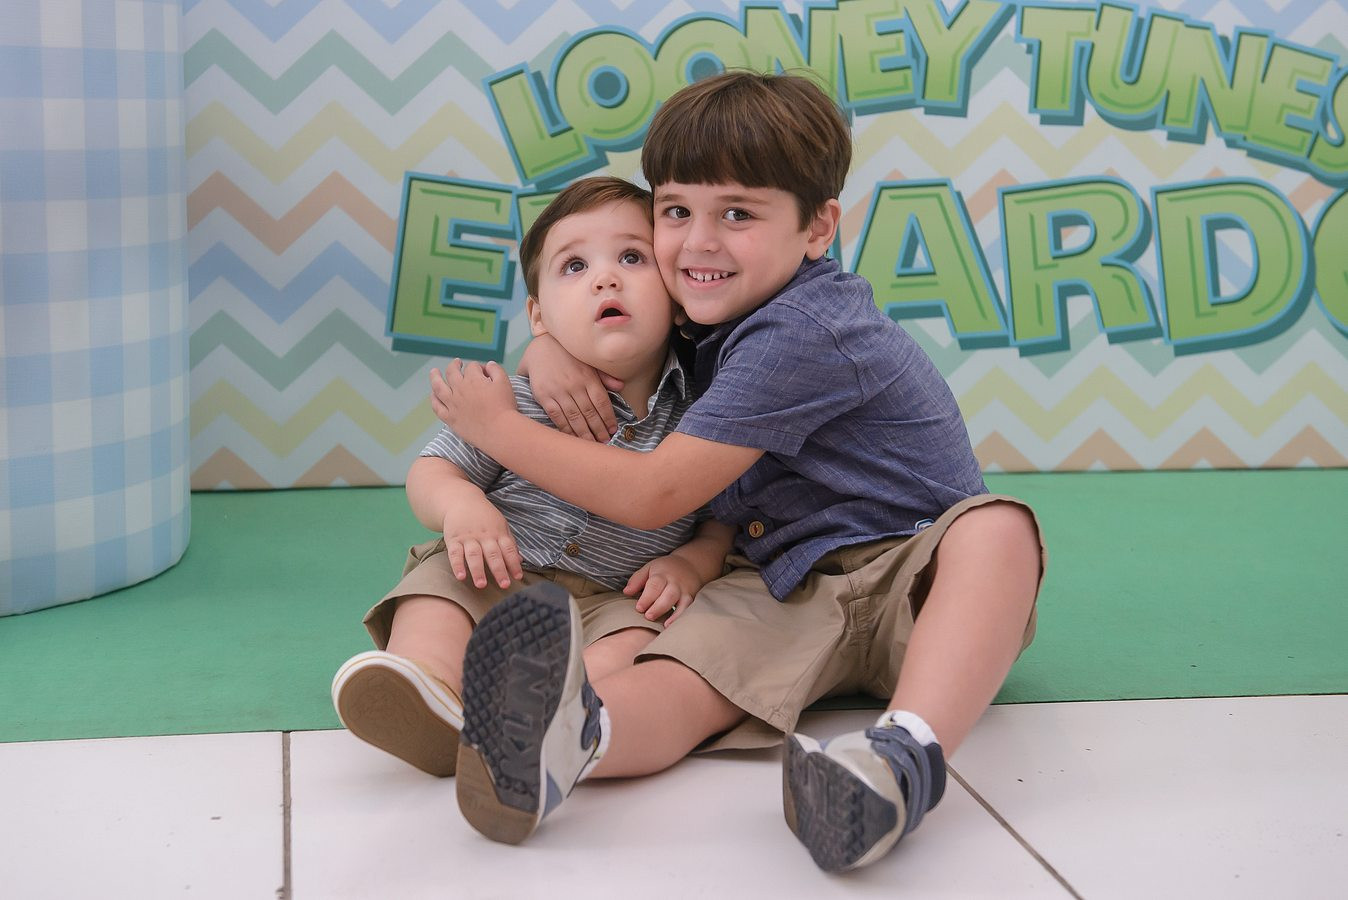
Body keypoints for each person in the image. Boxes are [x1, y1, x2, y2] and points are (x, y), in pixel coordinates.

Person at [432, 70, 1047, 872]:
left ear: (818, 227)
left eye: (738, 214)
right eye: (676, 211)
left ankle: (901, 759)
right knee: (686, 674)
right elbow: (612, 327)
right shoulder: (708, 307)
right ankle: (573, 737)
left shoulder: (805, 328)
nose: (699, 243)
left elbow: (655, 493)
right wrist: (547, 349)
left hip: (914, 583)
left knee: (996, 529)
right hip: (779, 582)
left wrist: (498, 429)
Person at [331, 176, 733, 781]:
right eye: (575, 266)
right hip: (499, 569)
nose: (606, 278)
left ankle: (547, 712)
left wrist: (693, 563)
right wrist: (461, 506)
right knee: (437, 590)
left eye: (632, 257)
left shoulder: (703, 414)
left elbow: (722, 513)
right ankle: (427, 685)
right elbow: (432, 470)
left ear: (677, 297)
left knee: (639, 640)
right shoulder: (514, 401)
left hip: (614, 600)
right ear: (538, 314)